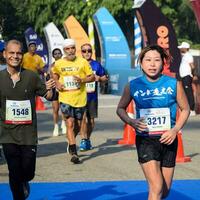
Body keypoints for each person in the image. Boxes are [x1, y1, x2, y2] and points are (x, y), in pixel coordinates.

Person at [116, 45, 190, 200]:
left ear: (163, 63)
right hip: (146, 139)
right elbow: (120, 109)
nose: (152, 64)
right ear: (141, 63)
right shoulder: (133, 85)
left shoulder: (173, 84)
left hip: (169, 139)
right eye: (148, 60)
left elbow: (185, 109)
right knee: (156, 186)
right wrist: (131, 121)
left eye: (157, 60)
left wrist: (175, 130)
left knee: (165, 190)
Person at [0, 39, 55, 200]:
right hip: (7, 134)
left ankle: (25, 181)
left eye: (18, 53)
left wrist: (50, 88)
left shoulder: (31, 77)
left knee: (28, 172)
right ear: (4, 54)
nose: (15, 56)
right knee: (14, 170)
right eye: (11, 53)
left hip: (28, 135)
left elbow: (49, 96)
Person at [52, 39, 95, 164]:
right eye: (67, 49)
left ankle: (71, 141)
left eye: (72, 48)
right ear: (64, 50)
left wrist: (82, 80)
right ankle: (74, 152)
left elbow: (91, 77)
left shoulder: (82, 62)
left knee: (77, 125)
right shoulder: (59, 63)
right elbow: (54, 73)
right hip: (65, 98)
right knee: (69, 123)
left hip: (80, 99)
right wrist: (57, 83)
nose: (70, 51)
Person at [79, 43, 108, 151]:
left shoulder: (97, 65)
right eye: (84, 51)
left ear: (92, 52)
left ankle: (87, 139)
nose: (87, 53)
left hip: (92, 97)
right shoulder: (78, 64)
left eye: (89, 50)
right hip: (80, 96)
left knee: (91, 121)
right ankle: (83, 140)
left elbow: (105, 77)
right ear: (81, 53)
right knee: (82, 119)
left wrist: (99, 79)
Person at [50, 48, 66, 136]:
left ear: (61, 54)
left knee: (63, 108)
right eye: (55, 54)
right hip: (55, 89)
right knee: (55, 109)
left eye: (59, 53)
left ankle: (63, 124)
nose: (57, 55)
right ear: (53, 56)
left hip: (63, 88)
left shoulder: (65, 64)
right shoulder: (52, 66)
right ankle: (56, 126)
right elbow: (50, 79)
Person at [178, 41, 196, 115]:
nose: (181, 48)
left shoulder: (188, 55)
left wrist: (192, 74)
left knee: (189, 92)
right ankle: (188, 108)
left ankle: (191, 109)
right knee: (185, 92)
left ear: (186, 48)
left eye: (182, 47)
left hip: (187, 76)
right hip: (184, 76)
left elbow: (192, 66)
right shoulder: (185, 55)